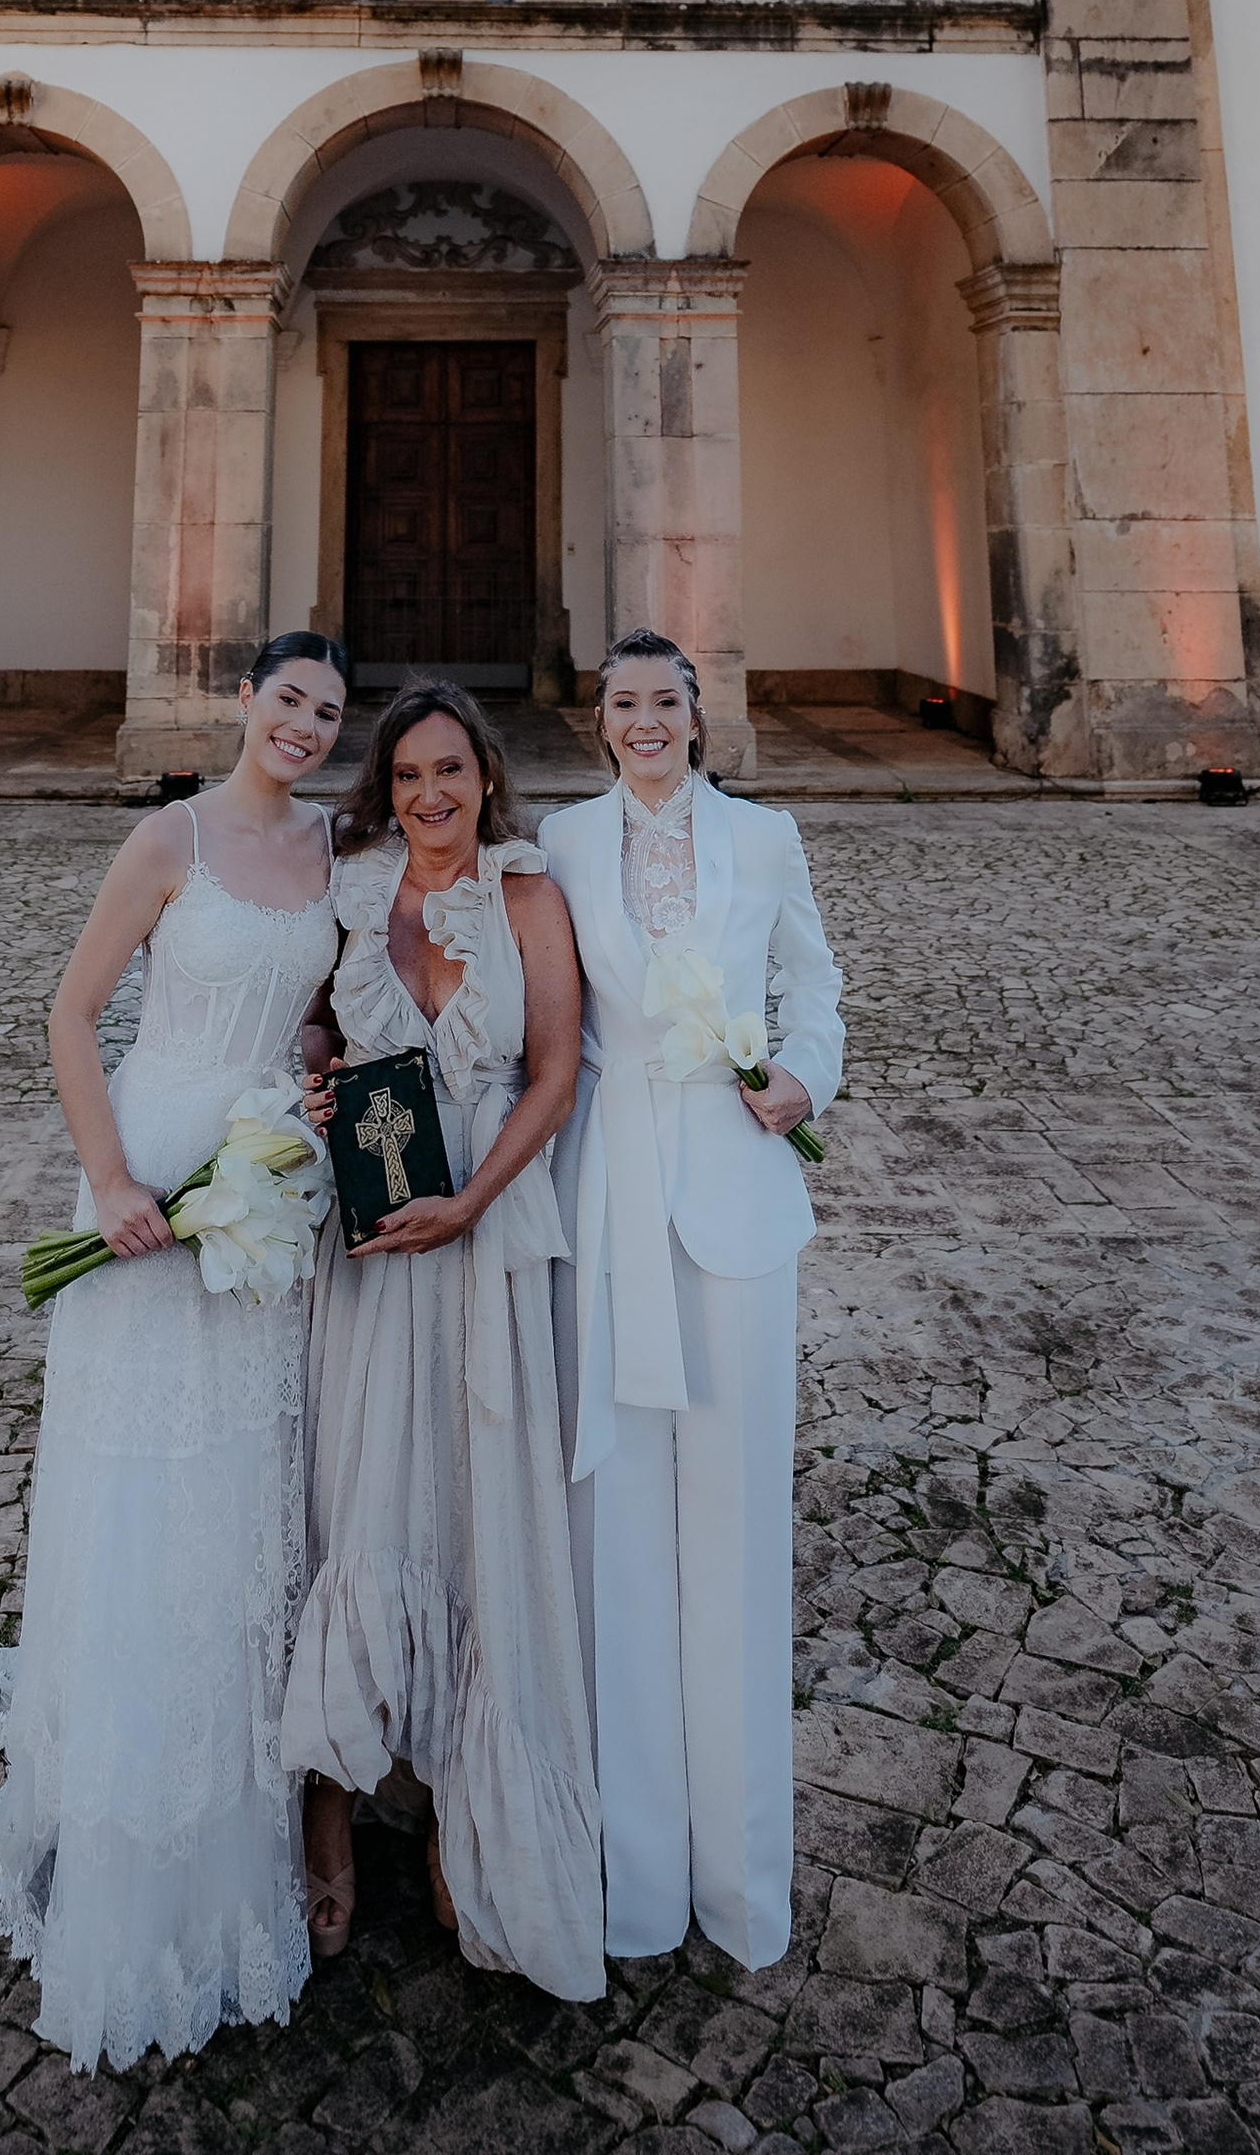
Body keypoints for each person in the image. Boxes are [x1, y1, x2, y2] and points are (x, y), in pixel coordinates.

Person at [0, 633, 350, 2073]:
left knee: (249, 1479)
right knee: (144, 1481)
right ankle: (129, 1792)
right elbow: (72, 1014)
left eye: (328, 711)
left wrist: (316, 1094)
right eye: (288, 700)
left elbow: (317, 1024)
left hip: (262, 1182)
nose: (305, 726)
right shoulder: (168, 839)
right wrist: (113, 1179)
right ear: (245, 701)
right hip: (149, 1178)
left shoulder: (330, 851)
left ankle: (243, 1785)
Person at [284, 680, 604, 1997]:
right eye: (410, 775)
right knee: (358, 1499)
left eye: (452, 772)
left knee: (475, 1508)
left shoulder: (527, 898)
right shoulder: (356, 891)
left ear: (486, 781)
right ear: (386, 788)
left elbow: (556, 1074)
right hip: (370, 1244)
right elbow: (320, 1019)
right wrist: (317, 1065)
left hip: (480, 1232)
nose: (431, 795)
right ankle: (329, 1805)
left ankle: (460, 1809)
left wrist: (470, 1203)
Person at [540, 629, 844, 1971]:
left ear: (697, 715)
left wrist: (807, 1075)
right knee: (614, 1535)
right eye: (624, 702)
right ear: (600, 722)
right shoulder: (559, 844)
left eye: (666, 699)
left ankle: (741, 1880)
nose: (646, 719)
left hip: (735, 1198)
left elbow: (816, 983)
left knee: (736, 1526)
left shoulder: (765, 840)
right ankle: (635, 1876)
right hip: (606, 1196)